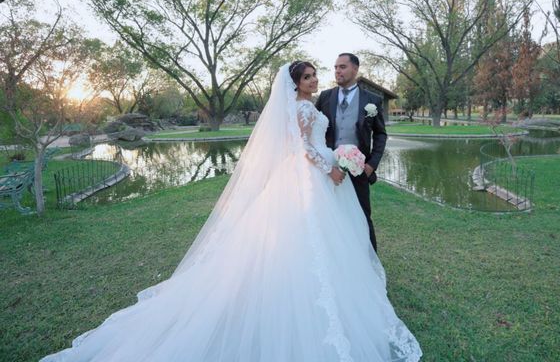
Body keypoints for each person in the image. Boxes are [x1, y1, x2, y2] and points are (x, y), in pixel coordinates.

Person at [41, 62, 422, 362]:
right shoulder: (302, 109)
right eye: (307, 77)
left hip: (324, 170)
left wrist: (340, 157)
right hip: (310, 175)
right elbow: (299, 148)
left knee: (332, 239)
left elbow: (320, 141)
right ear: (295, 82)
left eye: (314, 75)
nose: (314, 80)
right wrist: (330, 166)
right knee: (306, 238)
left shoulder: (312, 103)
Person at [316, 53, 386, 251]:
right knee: (330, 217)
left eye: (342, 67)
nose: (338, 71)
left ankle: (371, 262)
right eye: (336, 67)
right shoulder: (325, 97)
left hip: (359, 170)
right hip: (329, 169)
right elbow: (314, 129)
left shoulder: (373, 100)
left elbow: (380, 134)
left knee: (363, 216)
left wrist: (371, 165)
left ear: (355, 69)